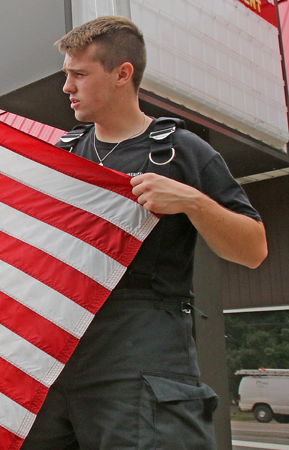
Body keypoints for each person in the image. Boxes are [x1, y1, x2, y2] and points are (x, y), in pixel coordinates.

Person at [21, 16, 268, 449]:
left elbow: (253, 249)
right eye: (67, 74)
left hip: (141, 352)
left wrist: (193, 201)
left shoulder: (181, 151)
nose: (67, 87)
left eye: (79, 74)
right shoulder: (59, 154)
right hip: (57, 354)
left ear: (122, 74)